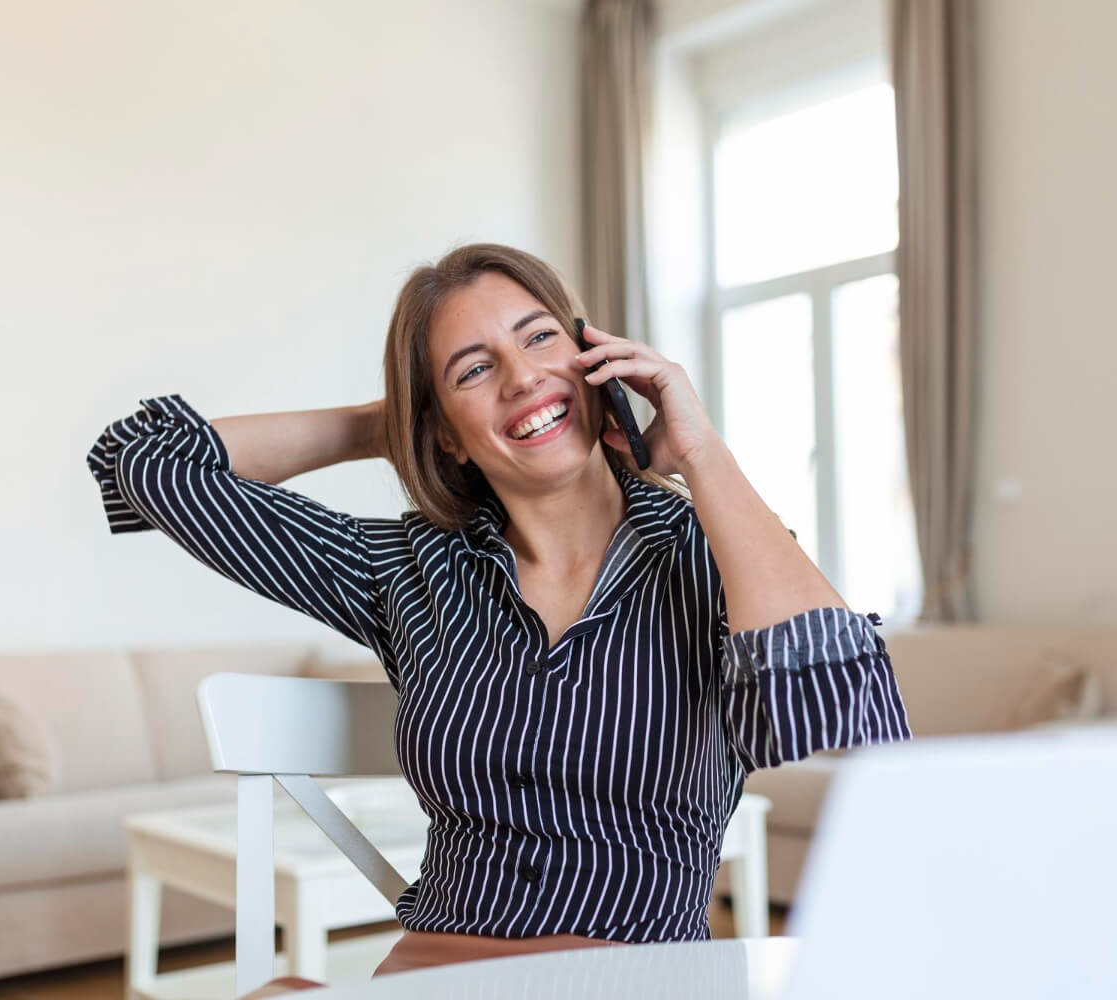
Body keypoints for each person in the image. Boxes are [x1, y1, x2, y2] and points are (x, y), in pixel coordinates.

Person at [86, 242, 912, 986]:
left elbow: (840, 715)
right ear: (444, 434)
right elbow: (145, 463)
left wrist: (700, 451)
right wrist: (394, 425)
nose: (521, 378)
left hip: (639, 975)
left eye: (540, 338)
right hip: (436, 973)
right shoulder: (405, 570)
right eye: (473, 369)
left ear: (598, 359)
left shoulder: (718, 547)